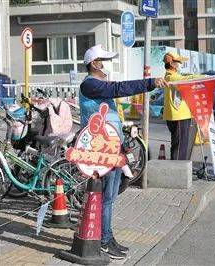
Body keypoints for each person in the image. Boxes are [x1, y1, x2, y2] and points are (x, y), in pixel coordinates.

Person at [80, 44, 168, 259]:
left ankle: (107, 236)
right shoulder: (90, 84)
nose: (106, 66)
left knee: (111, 195)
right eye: (104, 61)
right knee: (107, 198)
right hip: (100, 151)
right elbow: (119, 89)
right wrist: (149, 83)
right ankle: (104, 240)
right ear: (94, 63)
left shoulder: (97, 85)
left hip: (112, 148)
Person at [162, 52, 204, 160]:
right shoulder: (171, 77)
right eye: (178, 62)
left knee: (180, 142)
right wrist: (204, 77)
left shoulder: (175, 76)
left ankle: (178, 166)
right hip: (178, 116)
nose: (180, 64)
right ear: (171, 63)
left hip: (180, 115)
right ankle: (177, 168)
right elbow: (187, 79)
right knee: (180, 145)